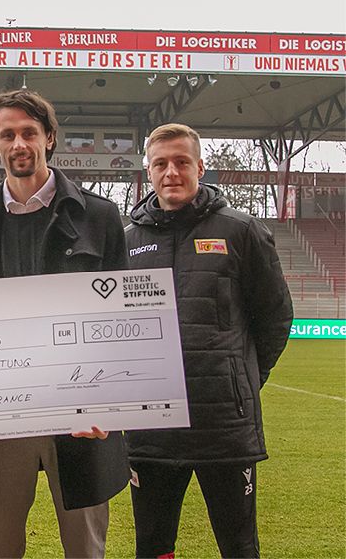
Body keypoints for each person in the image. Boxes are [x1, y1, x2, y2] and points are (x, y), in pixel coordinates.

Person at [0, 90, 129, 558]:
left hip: (81, 415)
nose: (18, 143)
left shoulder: (101, 217)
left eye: (29, 132)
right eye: (7, 134)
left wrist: (113, 406)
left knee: (85, 548)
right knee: (0, 546)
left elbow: (126, 323)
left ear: (49, 138)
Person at [124, 123, 293, 559]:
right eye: (161, 163)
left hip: (224, 427)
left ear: (200, 167)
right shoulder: (128, 240)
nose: (171, 172)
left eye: (182, 162)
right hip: (152, 429)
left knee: (238, 546)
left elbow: (275, 316)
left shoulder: (241, 231)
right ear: (149, 171)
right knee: (153, 545)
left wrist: (243, 379)